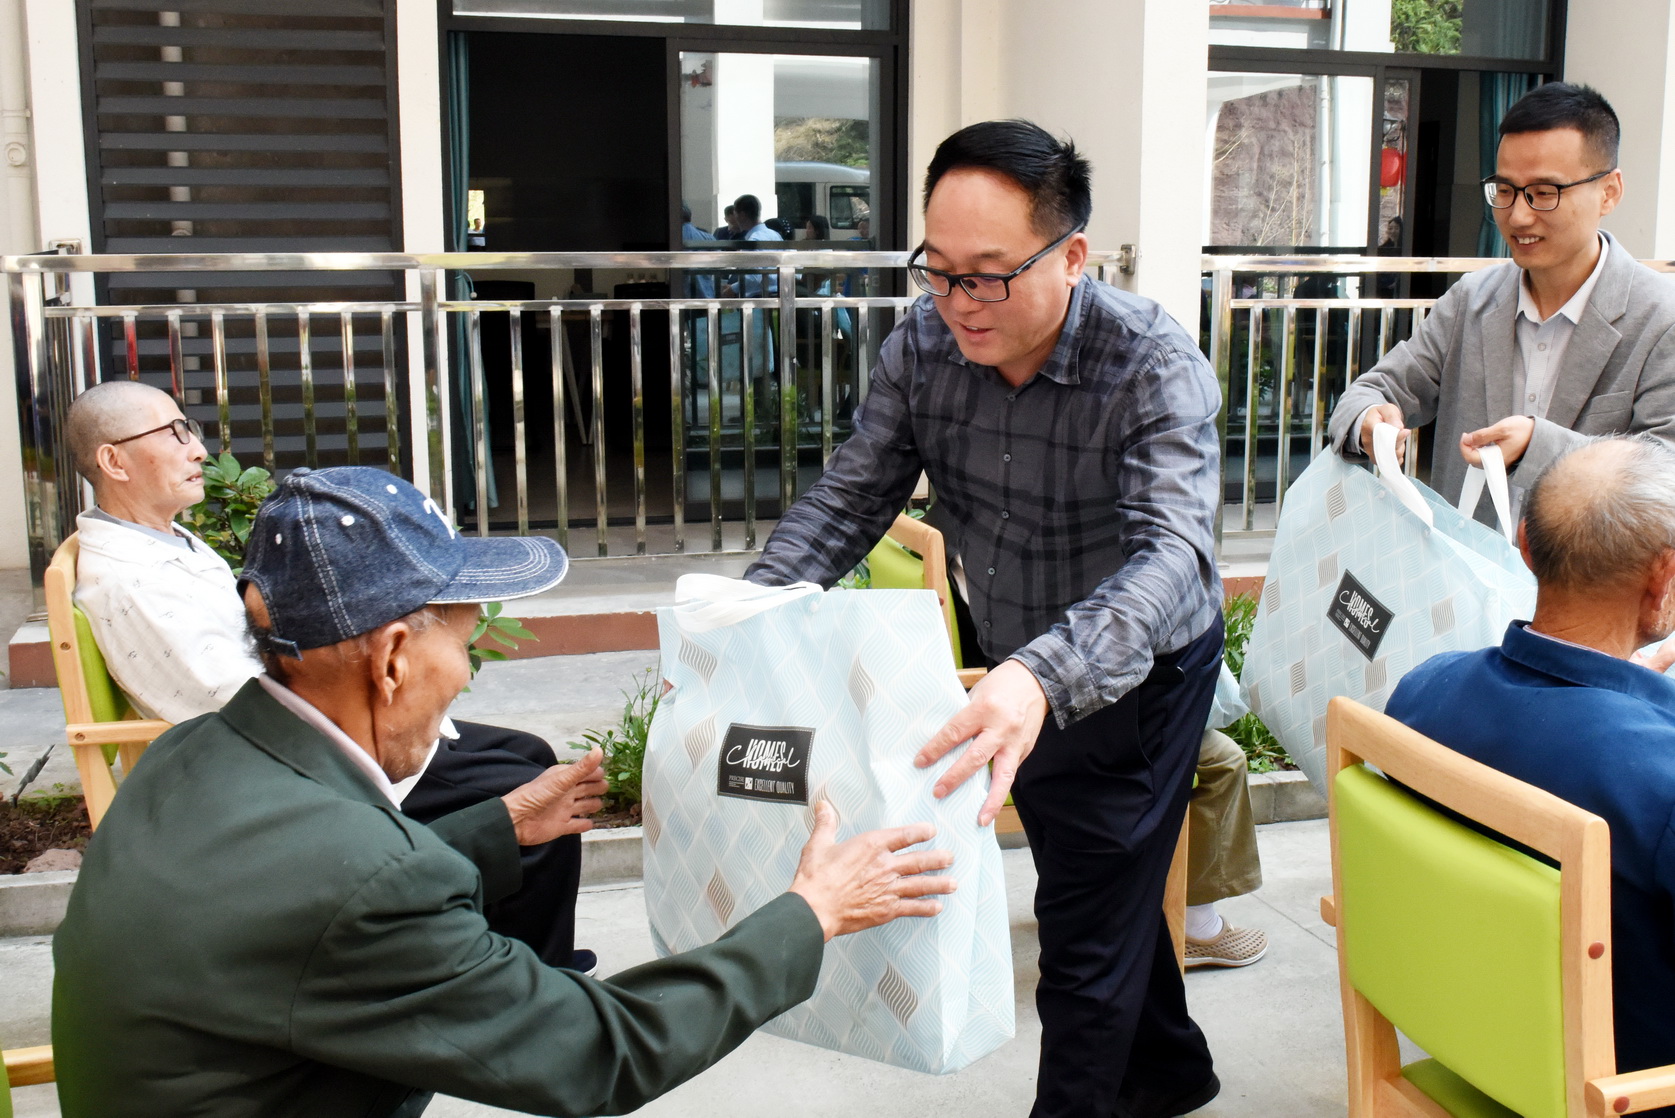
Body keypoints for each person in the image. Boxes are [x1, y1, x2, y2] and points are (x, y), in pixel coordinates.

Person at [52, 465, 956, 1118]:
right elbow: (603, 1054)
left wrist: (500, 826)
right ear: (393, 658)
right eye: (462, 639)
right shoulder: (362, 881)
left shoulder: (193, 755)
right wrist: (811, 913)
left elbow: (296, 909)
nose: (467, 670)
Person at [747, 119, 1227, 1118]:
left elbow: (1170, 552)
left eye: (989, 276)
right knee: (1093, 874)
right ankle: (1171, 1067)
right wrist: (748, 612)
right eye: (938, 269)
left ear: (1072, 256)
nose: (959, 301)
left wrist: (1043, 675)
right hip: (1011, 652)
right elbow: (852, 496)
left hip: (1139, 670)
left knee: (1082, 927)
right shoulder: (923, 342)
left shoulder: (1149, 362)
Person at [63, 380, 590, 974]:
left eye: (191, 429)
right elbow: (236, 705)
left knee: (529, 754)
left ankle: (503, 953)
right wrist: (376, 697)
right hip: (296, 761)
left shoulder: (163, 541)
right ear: (114, 461)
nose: (198, 449)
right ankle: (525, 976)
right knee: (524, 795)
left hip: (316, 722)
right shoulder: (131, 583)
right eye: (173, 433)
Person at [1385, 435, 1675, 1091]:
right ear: (1662, 577)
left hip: (1473, 1047)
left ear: (1523, 544)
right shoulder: (1659, 778)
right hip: (1624, 1087)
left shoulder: (1424, 691)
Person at [1327, 82, 1675, 520]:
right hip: (1465, 561)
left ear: (1609, 191)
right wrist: (1367, 420)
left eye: (1544, 192)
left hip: (1584, 565)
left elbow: (1664, 473)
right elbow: (1372, 391)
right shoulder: (1471, 300)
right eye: (1505, 190)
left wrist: (1538, 447)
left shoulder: (1661, 318)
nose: (1519, 216)